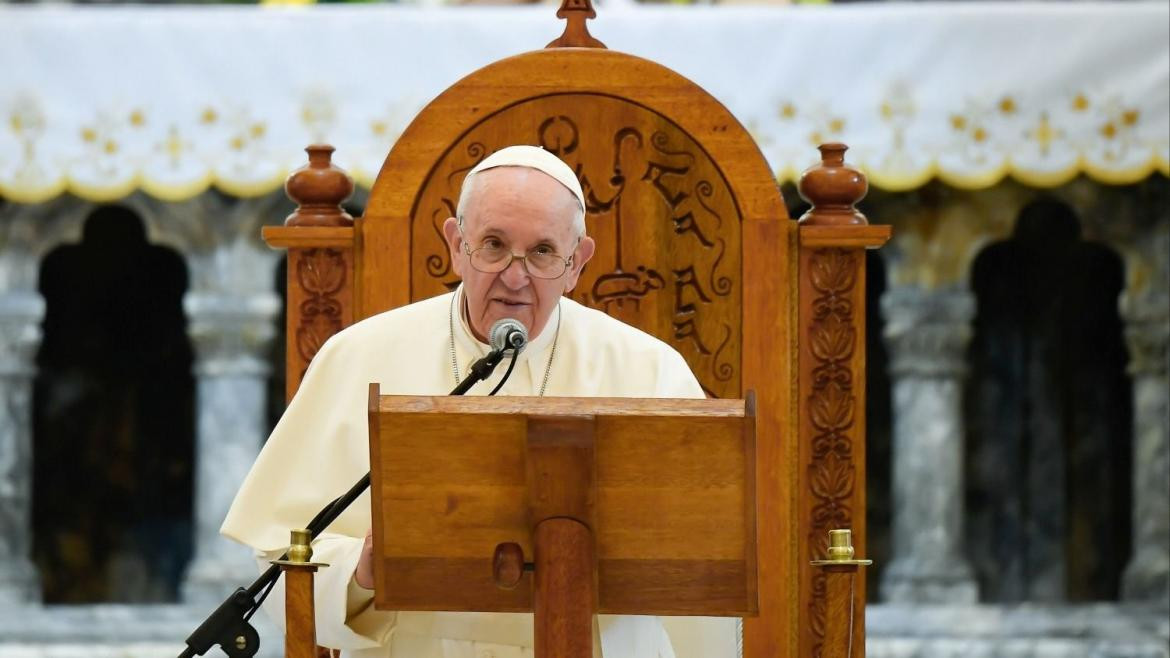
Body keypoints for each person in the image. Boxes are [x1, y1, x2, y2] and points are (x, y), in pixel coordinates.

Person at [221, 145, 736, 658]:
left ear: (576, 262)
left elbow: (702, 568)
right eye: (494, 245)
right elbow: (284, 554)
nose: (516, 277)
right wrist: (362, 572)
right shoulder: (360, 356)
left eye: (542, 252)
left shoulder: (647, 370)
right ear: (455, 244)